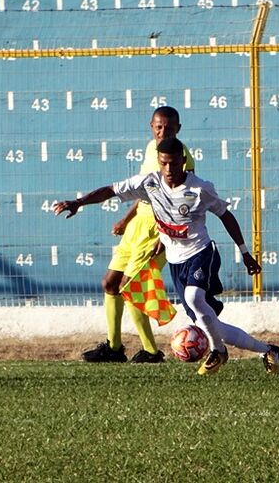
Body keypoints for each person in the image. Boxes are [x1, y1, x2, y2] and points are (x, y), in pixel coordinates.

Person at [54, 137, 279, 375]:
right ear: (159, 162)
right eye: (164, 164)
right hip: (176, 261)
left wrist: (245, 253)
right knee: (207, 322)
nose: (169, 169)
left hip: (201, 253)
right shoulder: (150, 183)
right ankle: (267, 350)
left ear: (183, 162)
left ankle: (218, 351)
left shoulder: (199, 188)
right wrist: (79, 202)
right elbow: (111, 190)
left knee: (194, 298)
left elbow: (226, 215)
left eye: (174, 163)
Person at [81, 106, 195, 364]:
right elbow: (147, 191)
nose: (162, 131)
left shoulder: (182, 158)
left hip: (159, 228)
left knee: (130, 287)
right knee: (110, 283)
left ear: (178, 128)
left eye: (168, 127)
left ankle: (152, 352)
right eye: (158, 126)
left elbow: (185, 203)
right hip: (138, 225)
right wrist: (127, 218)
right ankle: (114, 347)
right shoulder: (150, 149)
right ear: (151, 126)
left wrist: (164, 237)